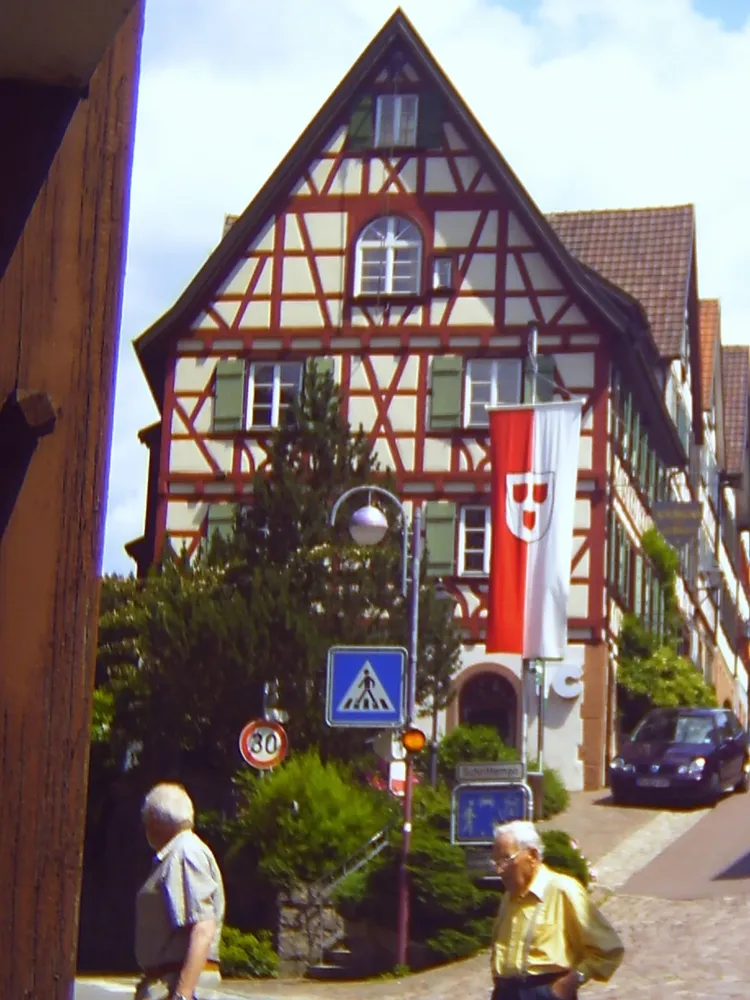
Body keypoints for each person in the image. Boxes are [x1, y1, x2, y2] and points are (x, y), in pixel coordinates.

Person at [490, 820, 624, 999]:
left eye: (506, 860)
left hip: (543, 991)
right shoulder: (510, 896)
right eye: (496, 862)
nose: (499, 870)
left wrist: (573, 980)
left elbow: (608, 948)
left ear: (532, 855)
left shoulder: (562, 889)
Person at [134, 783, 226, 1000]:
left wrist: (183, 993)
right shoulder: (177, 852)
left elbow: (203, 926)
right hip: (167, 981)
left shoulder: (185, 853)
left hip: (174, 983)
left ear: (154, 821)